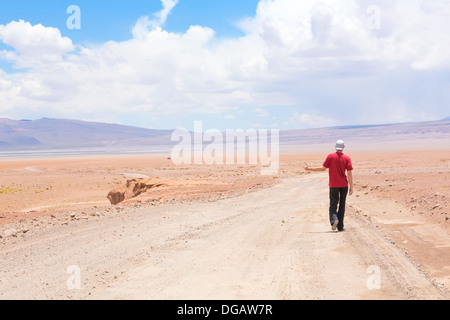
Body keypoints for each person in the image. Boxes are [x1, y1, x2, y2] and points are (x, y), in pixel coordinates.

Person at [304, 140, 353, 231]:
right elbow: (349, 173)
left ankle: (334, 219)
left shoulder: (330, 157)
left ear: (335, 146)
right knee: (342, 204)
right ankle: (340, 227)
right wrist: (351, 186)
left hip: (333, 184)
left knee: (333, 203)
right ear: (343, 147)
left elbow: (323, 169)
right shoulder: (347, 158)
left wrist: (309, 168)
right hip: (344, 185)